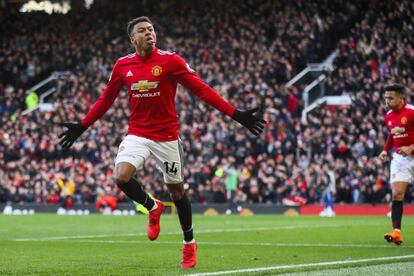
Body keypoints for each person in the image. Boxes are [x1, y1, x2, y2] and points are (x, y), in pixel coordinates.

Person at [58, 16, 266, 268]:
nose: (149, 33)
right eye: (143, 31)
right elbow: (105, 99)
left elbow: (201, 89)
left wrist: (236, 114)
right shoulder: (123, 65)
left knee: (177, 192)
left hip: (167, 137)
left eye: (151, 29)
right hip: (138, 134)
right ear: (132, 39)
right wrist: (82, 125)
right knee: (121, 177)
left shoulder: (170, 61)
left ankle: (189, 243)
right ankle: (152, 206)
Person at [379, 83, 414, 245]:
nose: (387, 101)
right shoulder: (388, 116)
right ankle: (397, 232)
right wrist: (385, 150)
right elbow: (391, 135)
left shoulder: (411, 112)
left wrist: (412, 147)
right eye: (386, 97)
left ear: (401, 98)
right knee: (397, 193)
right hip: (401, 158)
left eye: (390, 98)